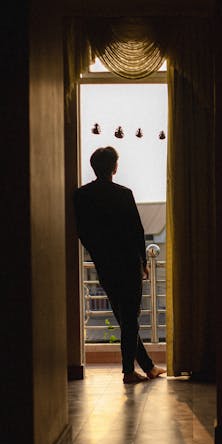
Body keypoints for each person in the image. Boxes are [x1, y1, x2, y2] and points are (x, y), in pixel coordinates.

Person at [73, 146, 166, 384]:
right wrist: (143, 263)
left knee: (125, 319)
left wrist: (98, 254)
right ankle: (128, 371)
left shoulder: (81, 196)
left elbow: (82, 232)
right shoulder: (124, 194)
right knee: (130, 318)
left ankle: (148, 366)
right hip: (128, 263)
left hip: (105, 265)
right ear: (114, 167)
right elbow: (137, 231)